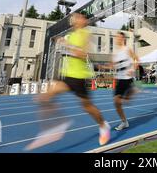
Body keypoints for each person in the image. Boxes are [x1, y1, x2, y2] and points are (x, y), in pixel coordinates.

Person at [25, 12, 111, 150]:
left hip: (79, 77)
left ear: (83, 21)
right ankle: (55, 126)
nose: (76, 18)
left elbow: (83, 54)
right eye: (75, 17)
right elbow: (69, 50)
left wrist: (66, 44)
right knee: (43, 97)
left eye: (79, 17)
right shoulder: (71, 35)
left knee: (87, 107)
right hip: (67, 76)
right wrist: (63, 42)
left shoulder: (85, 34)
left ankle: (103, 125)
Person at [103, 32, 139, 131]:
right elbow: (112, 65)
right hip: (119, 78)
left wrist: (133, 69)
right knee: (116, 102)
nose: (117, 39)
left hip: (127, 78)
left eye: (119, 37)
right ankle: (124, 122)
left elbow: (137, 59)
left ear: (123, 39)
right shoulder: (115, 52)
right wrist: (102, 66)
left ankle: (133, 90)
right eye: (116, 37)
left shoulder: (127, 49)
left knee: (126, 101)